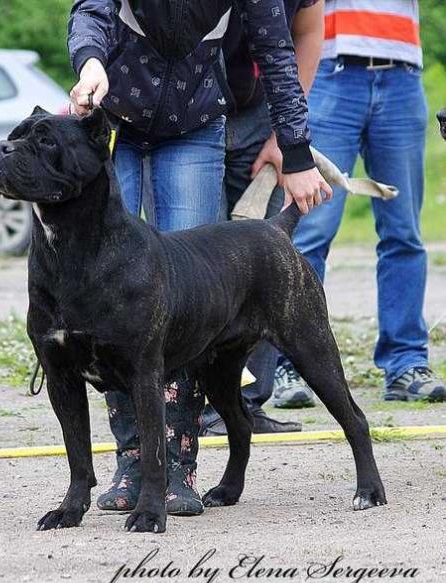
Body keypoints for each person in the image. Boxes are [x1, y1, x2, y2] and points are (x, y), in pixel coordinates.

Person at [68, 0, 332, 516]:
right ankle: (132, 463)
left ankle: (176, 467)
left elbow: (277, 51)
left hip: (195, 123)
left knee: (188, 300)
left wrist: (295, 151)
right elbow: (91, 9)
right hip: (110, 122)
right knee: (111, 304)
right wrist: (89, 61)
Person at [274, 0, 446, 404]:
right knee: (310, 229)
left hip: (402, 73)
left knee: (404, 232)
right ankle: (291, 363)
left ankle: (405, 362)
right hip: (334, 71)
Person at [200, 0, 325, 436]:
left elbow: (307, 35)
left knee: (266, 265)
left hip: (260, 111)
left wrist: (282, 137)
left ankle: (246, 405)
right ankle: (199, 406)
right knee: (203, 261)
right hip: (193, 106)